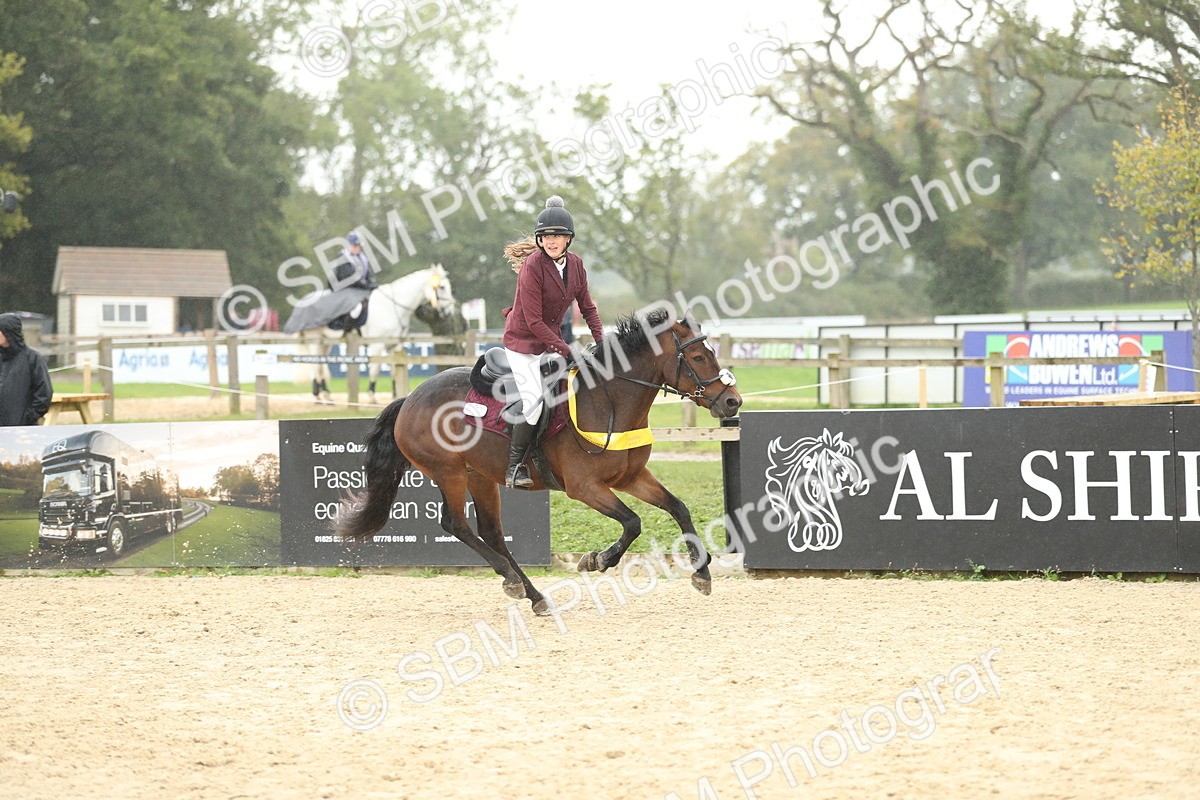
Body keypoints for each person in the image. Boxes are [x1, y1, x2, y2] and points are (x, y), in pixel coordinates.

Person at [501, 196, 605, 489]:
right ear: (540, 239)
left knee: (573, 387)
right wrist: (569, 349)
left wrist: (603, 343)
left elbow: (588, 308)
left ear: (568, 238)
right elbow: (533, 323)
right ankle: (515, 465)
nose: (552, 241)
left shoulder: (576, 266)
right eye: (547, 236)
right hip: (522, 343)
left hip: (551, 341)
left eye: (558, 235)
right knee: (534, 402)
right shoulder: (532, 267)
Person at [0, 313, 53, 427]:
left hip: (24, 429)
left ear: (8, 332)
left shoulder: (33, 359)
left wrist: (28, 418)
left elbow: (44, 394)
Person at [329, 231, 378, 332]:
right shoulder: (343, 258)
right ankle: (347, 330)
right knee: (357, 308)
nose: (357, 248)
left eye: (359, 246)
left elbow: (368, 273)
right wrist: (367, 286)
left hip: (357, 290)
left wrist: (372, 282)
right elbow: (350, 279)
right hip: (343, 290)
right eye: (355, 246)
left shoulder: (362, 258)